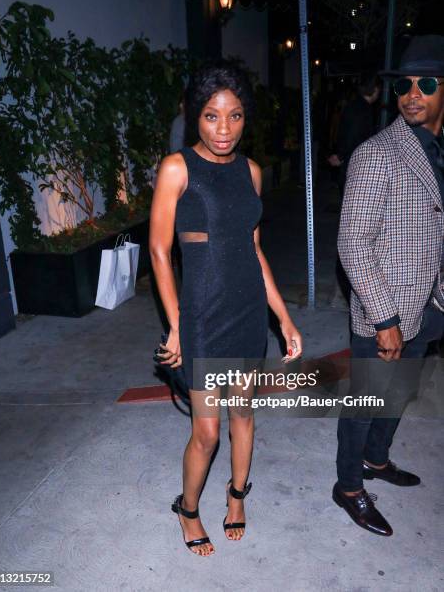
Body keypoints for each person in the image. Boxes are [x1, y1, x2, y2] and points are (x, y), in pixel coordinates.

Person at [149, 61, 302, 556]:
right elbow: (158, 252)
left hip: (246, 309)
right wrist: (175, 325)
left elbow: (254, 249)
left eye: (235, 117)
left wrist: (282, 316)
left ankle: (237, 498)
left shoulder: (250, 171)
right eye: (213, 116)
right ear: (197, 115)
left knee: (244, 414)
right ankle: (187, 509)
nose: (223, 128)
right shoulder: (177, 168)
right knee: (207, 432)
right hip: (202, 316)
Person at [335, 35, 444, 536]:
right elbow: (352, 242)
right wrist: (384, 319)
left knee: (399, 395)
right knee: (365, 405)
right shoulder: (377, 154)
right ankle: (349, 487)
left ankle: (378, 461)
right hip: (387, 312)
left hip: (430, 303)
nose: (411, 94)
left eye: (426, 83)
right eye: (403, 84)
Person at [328, 74, 381, 198]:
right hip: (354, 165)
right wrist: (340, 156)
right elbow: (352, 135)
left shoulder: (354, 106)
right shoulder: (363, 109)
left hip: (352, 163)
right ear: (375, 89)